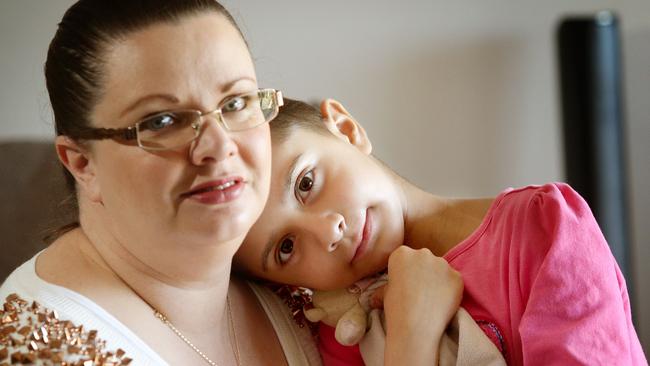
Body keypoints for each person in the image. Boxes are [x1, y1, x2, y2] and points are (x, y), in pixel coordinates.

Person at [0, 1, 307, 365]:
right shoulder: (35, 351)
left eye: (235, 102)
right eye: (162, 121)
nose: (219, 146)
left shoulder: (303, 272)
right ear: (82, 163)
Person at [234, 98, 648, 365]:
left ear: (345, 128)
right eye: (286, 248)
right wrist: (413, 337)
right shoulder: (344, 340)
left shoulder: (542, 230)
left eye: (306, 182)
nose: (328, 232)